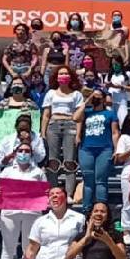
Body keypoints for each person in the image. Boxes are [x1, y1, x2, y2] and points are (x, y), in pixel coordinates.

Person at [0, 142, 47, 259]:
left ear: (31, 153)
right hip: (9, 213)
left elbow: (45, 192)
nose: (23, 153)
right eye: (20, 150)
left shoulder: (38, 172)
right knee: (8, 247)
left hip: (32, 214)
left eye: (27, 151)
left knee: (28, 247)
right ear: (15, 153)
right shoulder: (7, 171)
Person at [73, 89, 120, 215]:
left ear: (104, 99)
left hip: (105, 148)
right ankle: (86, 209)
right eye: (94, 96)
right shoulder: (87, 113)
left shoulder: (110, 114)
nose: (96, 99)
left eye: (98, 97)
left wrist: (116, 149)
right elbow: (75, 117)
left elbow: (115, 132)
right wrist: (87, 101)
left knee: (101, 180)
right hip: (86, 148)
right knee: (88, 180)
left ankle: (101, 209)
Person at [42, 66, 83, 199]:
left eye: (66, 73)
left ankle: (69, 193)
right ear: (56, 77)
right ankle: (53, 191)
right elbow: (46, 115)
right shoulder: (51, 93)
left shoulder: (77, 94)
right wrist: (43, 132)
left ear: (70, 76)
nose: (63, 75)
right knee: (52, 160)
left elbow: (79, 117)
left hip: (70, 124)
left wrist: (78, 134)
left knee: (69, 161)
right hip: (53, 125)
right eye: (61, 73)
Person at [104, 55, 130, 127]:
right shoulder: (109, 75)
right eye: (113, 64)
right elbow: (105, 87)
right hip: (111, 101)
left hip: (121, 100)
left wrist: (121, 87)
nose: (115, 66)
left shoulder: (127, 74)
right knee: (110, 121)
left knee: (123, 120)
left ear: (121, 63)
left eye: (117, 64)